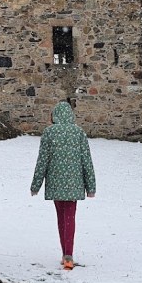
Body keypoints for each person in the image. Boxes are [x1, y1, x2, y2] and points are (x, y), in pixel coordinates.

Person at [30, 100, 96, 270]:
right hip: (74, 183)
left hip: (55, 182)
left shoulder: (49, 133)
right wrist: (91, 186)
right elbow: (86, 161)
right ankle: (68, 255)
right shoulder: (79, 133)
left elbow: (42, 161)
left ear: (55, 116)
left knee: (61, 217)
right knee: (70, 217)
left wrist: (36, 185)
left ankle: (66, 255)